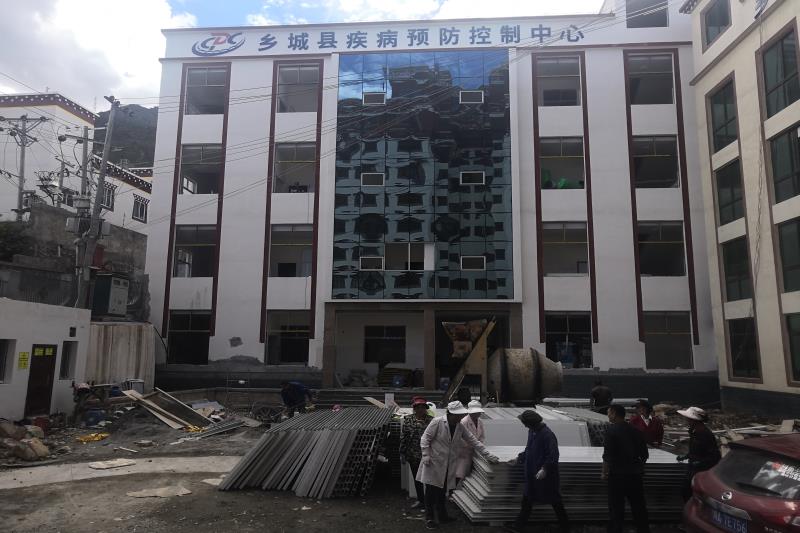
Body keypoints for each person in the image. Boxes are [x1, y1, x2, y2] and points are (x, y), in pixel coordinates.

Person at [417, 401, 499, 530]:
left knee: (442, 491)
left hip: (447, 464)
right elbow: (425, 438)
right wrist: (426, 454)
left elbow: (473, 441)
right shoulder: (437, 422)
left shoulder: (459, 426)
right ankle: (430, 518)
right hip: (434, 462)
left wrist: (488, 454)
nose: (460, 417)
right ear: (450, 414)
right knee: (431, 492)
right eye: (458, 415)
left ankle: (442, 516)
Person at [505, 410, 570, 533]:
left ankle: (565, 527)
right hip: (532, 474)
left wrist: (545, 469)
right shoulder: (532, 431)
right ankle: (518, 526)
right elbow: (529, 449)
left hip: (546, 477)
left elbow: (553, 455)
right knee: (527, 500)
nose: (524, 426)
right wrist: (519, 458)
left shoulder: (547, 435)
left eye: (525, 423)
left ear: (531, 423)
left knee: (555, 501)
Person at [602, 404, 650, 533]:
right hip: (635, 476)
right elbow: (644, 455)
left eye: (609, 413)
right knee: (639, 507)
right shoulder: (636, 431)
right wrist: (639, 468)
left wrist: (604, 473)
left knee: (616, 508)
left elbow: (607, 456)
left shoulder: (611, 431)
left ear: (614, 414)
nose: (608, 415)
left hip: (617, 476)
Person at [676, 406, 721, 502]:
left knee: (691, 493)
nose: (687, 421)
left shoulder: (704, 434)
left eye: (689, 419)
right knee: (686, 491)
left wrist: (700, 463)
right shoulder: (695, 432)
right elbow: (697, 450)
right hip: (693, 468)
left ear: (694, 421)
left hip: (701, 471)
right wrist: (687, 456)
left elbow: (715, 457)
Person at [399, 396, 434, 509]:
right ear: (414, 408)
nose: (420, 409)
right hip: (413, 455)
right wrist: (402, 453)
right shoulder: (408, 420)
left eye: (422, 407)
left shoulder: (432, 421)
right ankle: (421, 500)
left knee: (429, 480)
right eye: (418, 407)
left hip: (428, 455)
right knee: (417, 479)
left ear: (425, 408)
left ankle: (429, 501)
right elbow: (404, 437)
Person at [455, 400, 486, 486]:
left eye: (479, 412)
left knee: (472, 474)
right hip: (463, 452)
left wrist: (479, 445)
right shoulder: (464, 421)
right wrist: (470, 445)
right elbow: (460, 438)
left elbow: (482, 436)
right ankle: (453, 491)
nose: (478, 414)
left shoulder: (480, 421)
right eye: (476, 412)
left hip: (475, 451)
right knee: (460, 473)